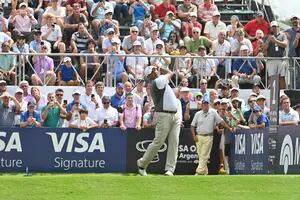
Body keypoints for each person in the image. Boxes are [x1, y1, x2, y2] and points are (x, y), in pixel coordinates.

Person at [137, 65, 181, 176]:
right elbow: (171, 72)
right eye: (154, 70)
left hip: (175, 115)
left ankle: (170, 169)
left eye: (156, 69)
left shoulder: (159, 81)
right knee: (158, 142)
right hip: (163, 115)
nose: (156, 71)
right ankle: (142, 164)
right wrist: (162, 67)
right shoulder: (158, 81)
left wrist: (160, 69)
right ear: (150, 75)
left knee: (174, 142)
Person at [191, 98, 232, 175]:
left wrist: (229, 127)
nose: (205, 106)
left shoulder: (213, 112)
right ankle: (205, 172)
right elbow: (192, 126)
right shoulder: (198, 114)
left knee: (204, 155)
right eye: (204, 104)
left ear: (209, 105)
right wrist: (194, 136)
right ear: (202, 105)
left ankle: (199, 172)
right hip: (199, 136)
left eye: (207, 104)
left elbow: (221, 121)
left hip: (209, 137)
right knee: (201, 155)